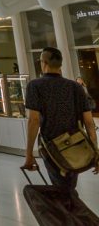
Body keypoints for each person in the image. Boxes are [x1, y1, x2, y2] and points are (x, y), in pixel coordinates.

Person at [23, 47, 97, 193]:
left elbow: (34, 121)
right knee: (68, 186)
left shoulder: (35, 86)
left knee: (62, 189)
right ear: (60, 64)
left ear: (43, 63)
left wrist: (29, 154)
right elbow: (89, 123)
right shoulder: (75, 87)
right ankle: (73, 212)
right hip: (76, 145)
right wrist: (95, 152)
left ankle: (71, 214)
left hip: (51, 146)